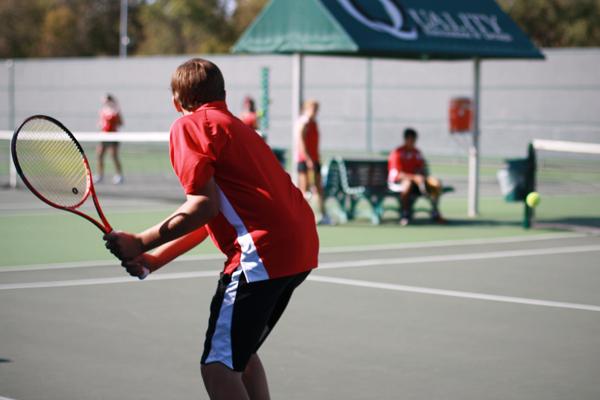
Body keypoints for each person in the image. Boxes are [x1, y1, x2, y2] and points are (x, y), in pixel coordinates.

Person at [104, 58, 319, 400]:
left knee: (217, 366)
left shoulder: (189, 126)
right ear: (224, 94)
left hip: (262, 252)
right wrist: (155, 258)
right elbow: (214, 214)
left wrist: (140, 240)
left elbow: (202, 206)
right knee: (241, 355)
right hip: (301, 249)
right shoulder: (240, 129)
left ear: (177, 101)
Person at [387, 128, 446, 226]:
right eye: (410, 139)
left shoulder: (416, 152)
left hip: (417, 183)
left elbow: (421, 169)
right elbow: (398, 174)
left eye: (414, 140)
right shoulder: (397, 153)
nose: (412, 142)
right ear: (405, 139)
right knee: (407, 184)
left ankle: (435, 211)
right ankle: (405, 214)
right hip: (398, 183)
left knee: (436, 183)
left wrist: (423, 178)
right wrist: (414, 177)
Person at [295, 100, 330, 225]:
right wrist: (308, 159)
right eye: (313, 108)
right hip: (305, 161)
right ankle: (302, 216)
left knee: (318, 188)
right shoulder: (304, 122)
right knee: (305, 190)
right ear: (307, 108)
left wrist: (315, 158)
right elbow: (301, 141)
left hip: (314, 160)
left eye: (316, 108)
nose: (315, 111)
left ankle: (322, 214)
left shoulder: (313, 123)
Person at [95, 94, 124, 184]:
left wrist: (115, 118)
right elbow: (101, 123)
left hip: (113, 136)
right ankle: (100, 175)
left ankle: (119, 175)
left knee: (113, 156)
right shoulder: (103, 111)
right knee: (99, 155)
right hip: (104, 136)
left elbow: (121, 123)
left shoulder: (116, 111)